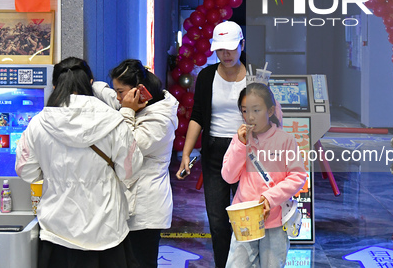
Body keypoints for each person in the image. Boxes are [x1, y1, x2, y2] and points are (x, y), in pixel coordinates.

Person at [15, 57, 143, 268]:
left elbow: (26, 171)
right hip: (107, 231)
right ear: (90, 83)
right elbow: (130, 171)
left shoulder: (38, 124)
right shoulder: (113, 121)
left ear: (55, 86)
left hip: (57, 232)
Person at [93, 59, 178, 268]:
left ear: (140, 91)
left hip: (146, 209)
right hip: (126, 206)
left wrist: (128, 111)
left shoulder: (160, 121)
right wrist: (87, 81)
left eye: (121, 92)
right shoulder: (132, 102)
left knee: (141, 263)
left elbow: (125, 150)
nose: (118, 97)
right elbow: (105, 92)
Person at [176, 21, 247, 268]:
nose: (226, 54)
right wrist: (187, 153)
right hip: (214, 151)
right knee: (217, 220)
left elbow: (267, 114)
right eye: (220, 49)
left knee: (246, 216)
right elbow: (197, 115)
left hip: (246, 152)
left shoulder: (256, 74)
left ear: (242, 45)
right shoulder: (207, 76)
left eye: (230, 48)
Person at [222, 83, 307, 267]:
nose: (250, 117)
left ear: (269, 111)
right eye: (245, 111)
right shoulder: (240, 140)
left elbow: (298, 176)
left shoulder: (285, 140)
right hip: (244, 218)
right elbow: (228, 176)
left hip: (275, 219)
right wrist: (240, 145)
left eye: (256, 110)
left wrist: (269, 198)